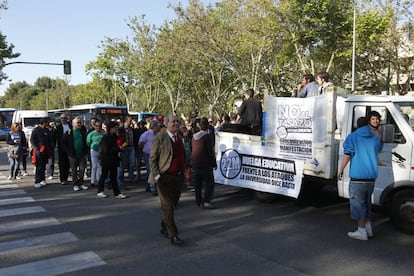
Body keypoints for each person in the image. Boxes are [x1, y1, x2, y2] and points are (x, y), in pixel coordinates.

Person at [337, 113, 383, 241]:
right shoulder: (375, 138)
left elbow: (347, 154)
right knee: (367, 203)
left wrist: (340, 170)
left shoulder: (353, 137)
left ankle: (361, 231)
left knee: (358, 204)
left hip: (358, 179)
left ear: (357, 125)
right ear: (368, 124)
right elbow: (379, 149)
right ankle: (368, 229)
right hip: (371, 179)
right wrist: (378, 135)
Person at [149, 114, 185, 245]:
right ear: (166, 124)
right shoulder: (160, 138)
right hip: (164, 177)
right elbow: (152, 158)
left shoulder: (179, 138)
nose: (176, 124)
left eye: (177, 121)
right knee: (168, 206)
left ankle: (164, 227)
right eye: (173, 122)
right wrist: (157, 175)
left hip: (178, 177)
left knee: (172, 205)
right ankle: (173, 235)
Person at [96, 121, 127, 199]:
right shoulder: (106, 137)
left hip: (113, 159)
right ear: (111, 128)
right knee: (104, 175)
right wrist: (118, 148)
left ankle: (117, 193)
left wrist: (121, 149)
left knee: (113, 177)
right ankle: (100, 191)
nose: (117, 129)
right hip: (106, 159)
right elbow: (106, 150)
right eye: (115, 128)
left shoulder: (114, 137)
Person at [191, 118, 217, 209]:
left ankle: (198, 201)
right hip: (205, 164)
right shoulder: (207, 137)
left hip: (195, 163)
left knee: (197, 184)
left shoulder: (194, 137)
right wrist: (214, 163)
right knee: (209, 183)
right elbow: (210, 152)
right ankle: (206, 201)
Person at [61, 117, 89, 192]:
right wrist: (68, 152)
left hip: (81, 154)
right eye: (78, 123)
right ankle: (75, 184)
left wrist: (85, 151)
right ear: (73, 124)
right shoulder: (69, 132)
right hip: (73, 155)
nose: (79, 124)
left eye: (80, 122)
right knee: (74, 170)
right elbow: (63, 143)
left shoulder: (83, 132)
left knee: (82, 169)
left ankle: (81, 183)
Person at [139, 120, 160, 195]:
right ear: (154, 127)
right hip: (148, 154)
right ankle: (152, 188)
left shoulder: (158, 134)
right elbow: (140, 142)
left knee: (152, 170)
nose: (159, 127)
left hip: (155, 154)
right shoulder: (146, 134)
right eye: (158, 126)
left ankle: (148, 185)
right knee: (151, 170)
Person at [31, 119, 52, 188]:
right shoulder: (36, 130)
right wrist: (36, 149)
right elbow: (32, 141)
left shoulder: (46, 130)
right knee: (39, 166)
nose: (47, 124)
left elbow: (49, 140)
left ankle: (42, 179)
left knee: (44, 166)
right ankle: (37, 181)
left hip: (46, 150)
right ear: (43, 123)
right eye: (46, 123)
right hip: (39, 150)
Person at [118, 115, 136, 183]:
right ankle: (121, 179)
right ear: (126, 120)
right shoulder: (121, 129)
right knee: (123, 164)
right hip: (124, 147)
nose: (131, 122)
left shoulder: (131, 129)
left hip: (131, 147)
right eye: (130, 120)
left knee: (132, 163)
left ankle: (131, 178)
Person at [86, 119, 104, 187]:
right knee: (94, 166)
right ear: (94, 126)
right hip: (93, 150)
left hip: (101, 151)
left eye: (99, 126)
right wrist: (92, 147)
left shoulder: (103, 133)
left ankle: (98, 179)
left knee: (100, 166)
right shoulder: (91, 134)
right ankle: (93, 181)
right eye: (96, 126)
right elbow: (88, 142)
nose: (98, 127)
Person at [56, 113, 72, 185]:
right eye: (62, 118)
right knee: (62, 163)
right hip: (61, 147)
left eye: (64, 118)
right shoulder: (58, 127)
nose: (63, 119)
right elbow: (55, 137)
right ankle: (62, 178)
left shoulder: (70, 126)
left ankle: (66, 177)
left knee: (68, 163)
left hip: (69, 147)